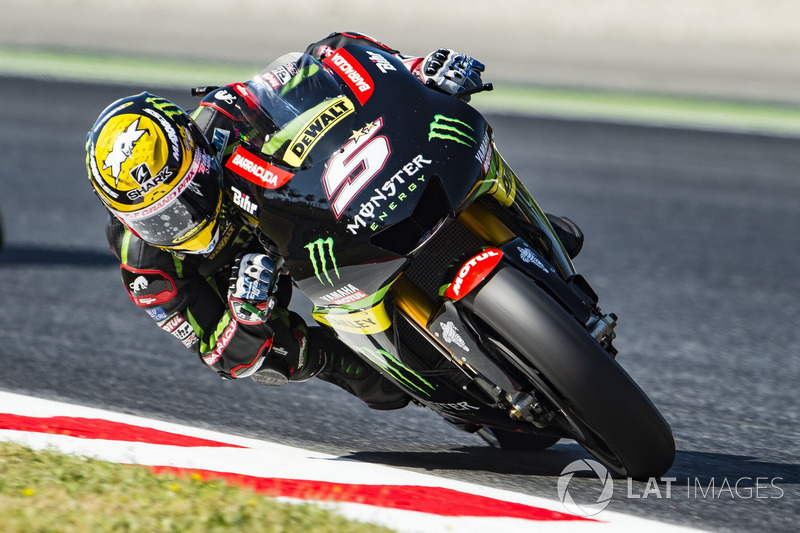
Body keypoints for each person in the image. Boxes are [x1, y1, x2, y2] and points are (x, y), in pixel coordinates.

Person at [85, 32, 583, 411]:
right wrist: (247, 315)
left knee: (448, 145)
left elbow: (331, 60)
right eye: (159, 218)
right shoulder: (148, 270)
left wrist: (417, 70)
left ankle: (517, 227)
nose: (180, 221)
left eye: (185, 198)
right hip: (248, 294)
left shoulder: (226, 116)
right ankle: (360, 360)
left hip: (297, 221)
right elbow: (220, 356)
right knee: (341, 377)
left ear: (198, 156)